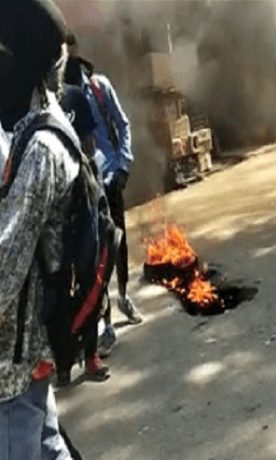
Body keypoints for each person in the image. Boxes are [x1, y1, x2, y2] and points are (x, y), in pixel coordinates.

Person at [0, 0, 78, 456]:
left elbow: (3, 275)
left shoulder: (40, 150)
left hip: (14, 366)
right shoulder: (40, 126)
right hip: (29, 351)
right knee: (49, 448)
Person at [65, 35, 143, 359]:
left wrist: (123, 164)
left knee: (118, 245)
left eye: (68, 51)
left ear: (74, 51)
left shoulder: (99, 87)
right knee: (93, 256)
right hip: (81, 186)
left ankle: (123, 296)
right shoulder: (58, 96)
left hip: (109, 179)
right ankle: (105, 323)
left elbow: (122, 124)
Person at [56, 43, 109, 386]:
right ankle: (63, 364)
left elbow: (89, 144)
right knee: (58, 284)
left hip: (83, 201)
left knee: (91, 278)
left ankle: (90, 356)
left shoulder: (74, 98)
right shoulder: (28, 109)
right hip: (54, 213)